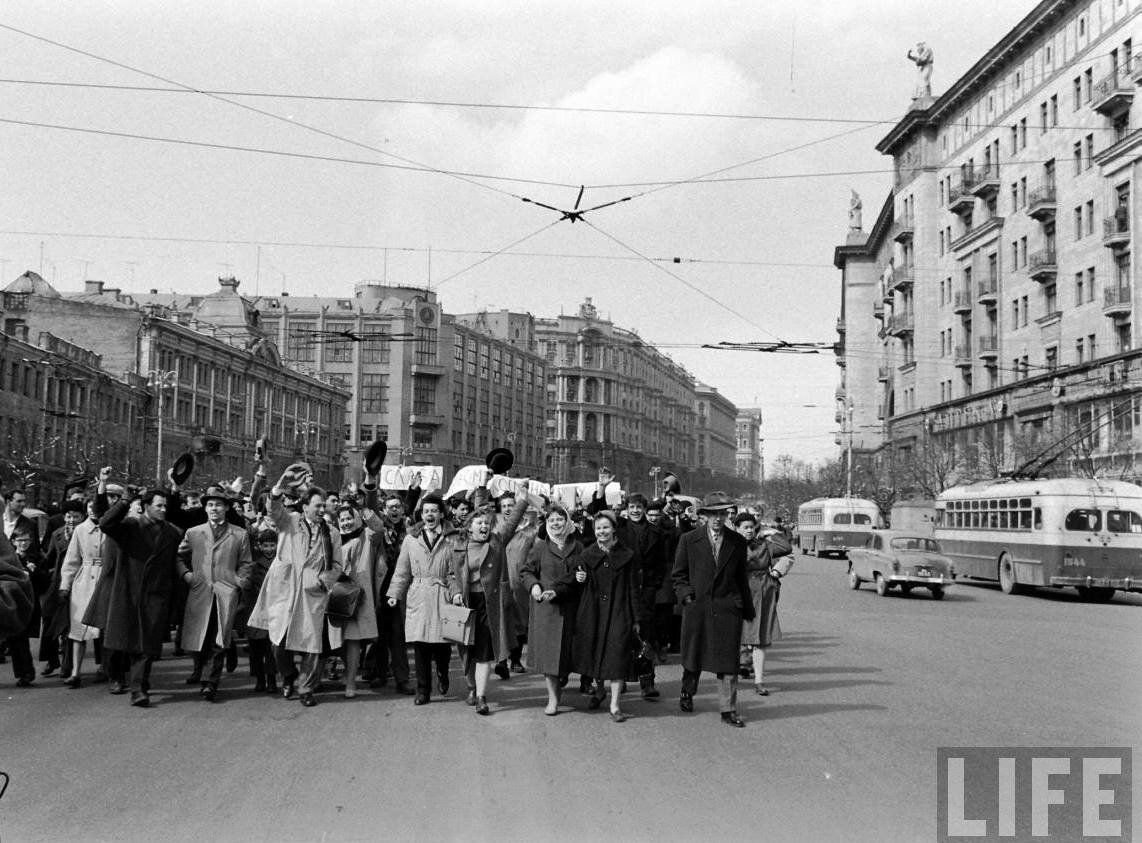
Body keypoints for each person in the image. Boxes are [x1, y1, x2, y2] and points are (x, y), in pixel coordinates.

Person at [247, 465, 343, 707]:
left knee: (311, 645)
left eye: (324, 506)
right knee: (278, 642)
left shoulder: (331, 532)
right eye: (318, 505)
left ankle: (306, 688)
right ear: (305, 505)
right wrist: (279, 486)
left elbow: (338, 565)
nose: (322, 509)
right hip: (285, 589)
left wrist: (325, 580)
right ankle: (288, 675)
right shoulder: (289, 521)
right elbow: (273, 509)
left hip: (312, 592)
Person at [447, 478, 544, 715]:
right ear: (469, 527)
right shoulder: (458, 546)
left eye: (487, 524)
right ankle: (471, 686)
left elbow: (510, 523)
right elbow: (450, 575)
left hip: (489, 605)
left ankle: (480, 696)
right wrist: (456, 592)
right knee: (466, 652)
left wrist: (522, 497)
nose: (484, 527)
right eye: (479, 523)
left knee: (483, 653)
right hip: (466, 605)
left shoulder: (497, 541)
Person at [98, 469, 186, 708]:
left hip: (156, 595)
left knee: (146, 646)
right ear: (146, 506)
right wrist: (125, 500)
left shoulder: (173, 533)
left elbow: (175, 561)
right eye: (159, 505)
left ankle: (139, 688)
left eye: (165, 506)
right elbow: (105, 523)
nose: (163, 510)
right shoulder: (131, 527)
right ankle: (123, 679)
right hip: (128, 592)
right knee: (127, 642)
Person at [672, 491, 755, 727]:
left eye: (722, 514)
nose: (718, 519)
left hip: (728, 608)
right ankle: (687, 692)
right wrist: (687, 597)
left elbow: (741, 578)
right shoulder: (689, 540)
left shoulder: (737, 542)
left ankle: (728, 709)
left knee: (728, 661)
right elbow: (678, 575)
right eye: (713, 514)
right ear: (704, 516)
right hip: (697, 607)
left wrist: (745, 608)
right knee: (693, 655)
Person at [177, 486, 255, 702]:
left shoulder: (239, 534)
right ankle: (200, 671)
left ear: (227, 508)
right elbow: (179, 557)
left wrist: (238, 582)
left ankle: (210, 682)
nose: (214, 508)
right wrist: (186, 575)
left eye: (218, 505)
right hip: (200, 591)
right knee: (198, 636)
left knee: (219, 638)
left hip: (225, 592)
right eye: (210, 505)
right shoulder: (194, 533)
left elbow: (246, 563)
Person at [570, 510, 641, 723]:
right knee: (597, 654)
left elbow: (634, 588)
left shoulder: (627, 555)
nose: (602, 531)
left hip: (620, 611)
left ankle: (615, 704)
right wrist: (579, 578)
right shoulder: (586, 555)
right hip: (593, 613)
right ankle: (599, 690)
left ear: (614, 529)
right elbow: (577, 582)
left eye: (606, 527)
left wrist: (636, 618)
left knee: (617, 655)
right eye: (598, 528)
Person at [386, 492, 455, 705]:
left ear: (441, 514)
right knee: (421, 645)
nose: (430, 515)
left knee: (442, 644)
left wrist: (457, 592)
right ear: (421, 515)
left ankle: (443, 672)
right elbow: (402, 570)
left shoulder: (452, 538)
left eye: (434, 510)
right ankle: (423, 690)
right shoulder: (410, 539)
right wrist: (394, 594)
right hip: (418, 593)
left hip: (442, 593)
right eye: (426, 511)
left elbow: (454, 570)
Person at [520, 503, 584, 715]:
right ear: (546, 524)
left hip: (571, 606)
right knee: (550, 657)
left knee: (567, 653)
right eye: (552, 520)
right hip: (547, 609)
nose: (556, 523)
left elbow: (583, 573)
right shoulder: (540, 547)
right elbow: (527, 572)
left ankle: (564, 677)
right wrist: (534, 586)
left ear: (567, 522)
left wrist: (582, 578)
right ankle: (553, 700)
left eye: (560, 519)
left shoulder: (578, 547)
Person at [332, 475, 386, 699]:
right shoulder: (333, 537)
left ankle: (351, 681)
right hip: (334, 595)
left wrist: (362, 506)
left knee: (353, 640)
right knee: (335, 639)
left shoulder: (366, 536)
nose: (345, 522)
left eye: (349, 518)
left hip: (358, 597)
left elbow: (378, 526)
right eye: (342, 519)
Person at [735, 513, 794, 695]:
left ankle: (759, 681)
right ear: (737, 528)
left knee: (760, 639)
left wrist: (770, 533)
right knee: (737, 636)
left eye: (752, 527)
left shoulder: (764, 545)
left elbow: (785, 547)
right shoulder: (731, 546)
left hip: (763, 593)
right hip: (740, 593)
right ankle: (732, 676)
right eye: (745, 527)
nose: (749, 530)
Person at [55, 500, 104, 687]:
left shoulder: (111, 527)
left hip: (105, 578)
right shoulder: (80, 530)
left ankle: (106, 667)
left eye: (97, 508)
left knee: (105, 629)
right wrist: (65, 586)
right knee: (78, 628)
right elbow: (71, 560)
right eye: (90, 508)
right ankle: (75, 671)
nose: (93, 512)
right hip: (83, 581)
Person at [5, 529, 44, 687]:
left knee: (22, 639)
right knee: (15, 640)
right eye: (20, 540)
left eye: (26, 540)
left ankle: (26, 672)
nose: (24, 544)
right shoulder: (9, 559)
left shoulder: (35, 557)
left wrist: (34, 572)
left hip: (28, 603)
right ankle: (22, 673)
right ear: (13, 542)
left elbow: (44, 580)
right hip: (12, 601)